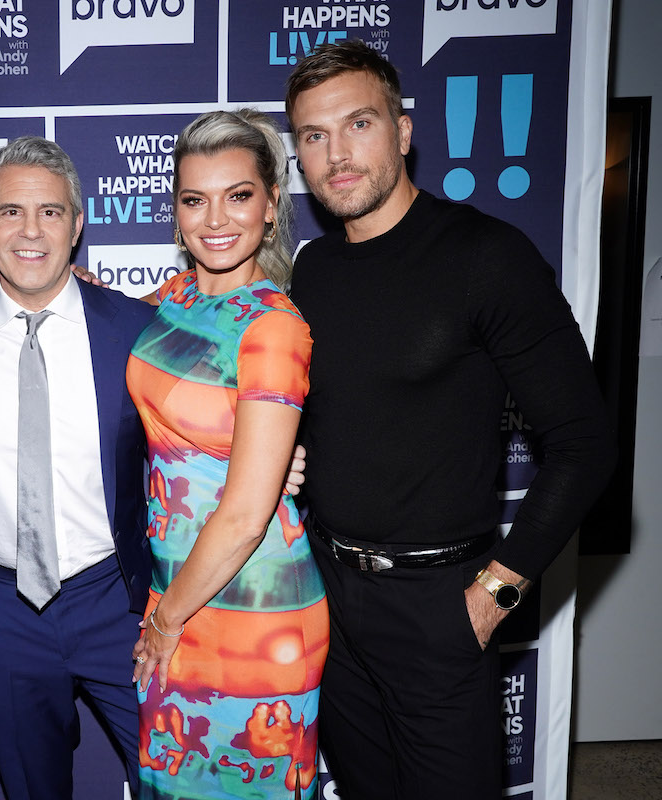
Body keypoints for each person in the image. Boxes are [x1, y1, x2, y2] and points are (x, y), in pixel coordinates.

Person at [284, 40, 616, 799]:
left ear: (402, 132)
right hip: (328, 598)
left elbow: (584, 445)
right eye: (313, 135)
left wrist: (493, 594)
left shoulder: (487, 257)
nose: (337, 154)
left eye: (358, 124)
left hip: (440, 610)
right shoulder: (314, 270)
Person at [0, 136, 157, 799]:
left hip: (120, 601)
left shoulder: (139, 331)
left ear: (78, 224)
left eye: (51, 212)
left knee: (175, 779)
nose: (30, 231)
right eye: (10, 212)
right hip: (3, 610)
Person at [128, 109, 329, 800]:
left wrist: (163, 618)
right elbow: (86, 316)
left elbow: (246, 514)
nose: (215, 218)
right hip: (177, 592)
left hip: (254, 610)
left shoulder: (274, 326)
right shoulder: (173, 298)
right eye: (194, 198)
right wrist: (1, 290)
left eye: (238, 195)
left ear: (271, 206)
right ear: (176, 211)